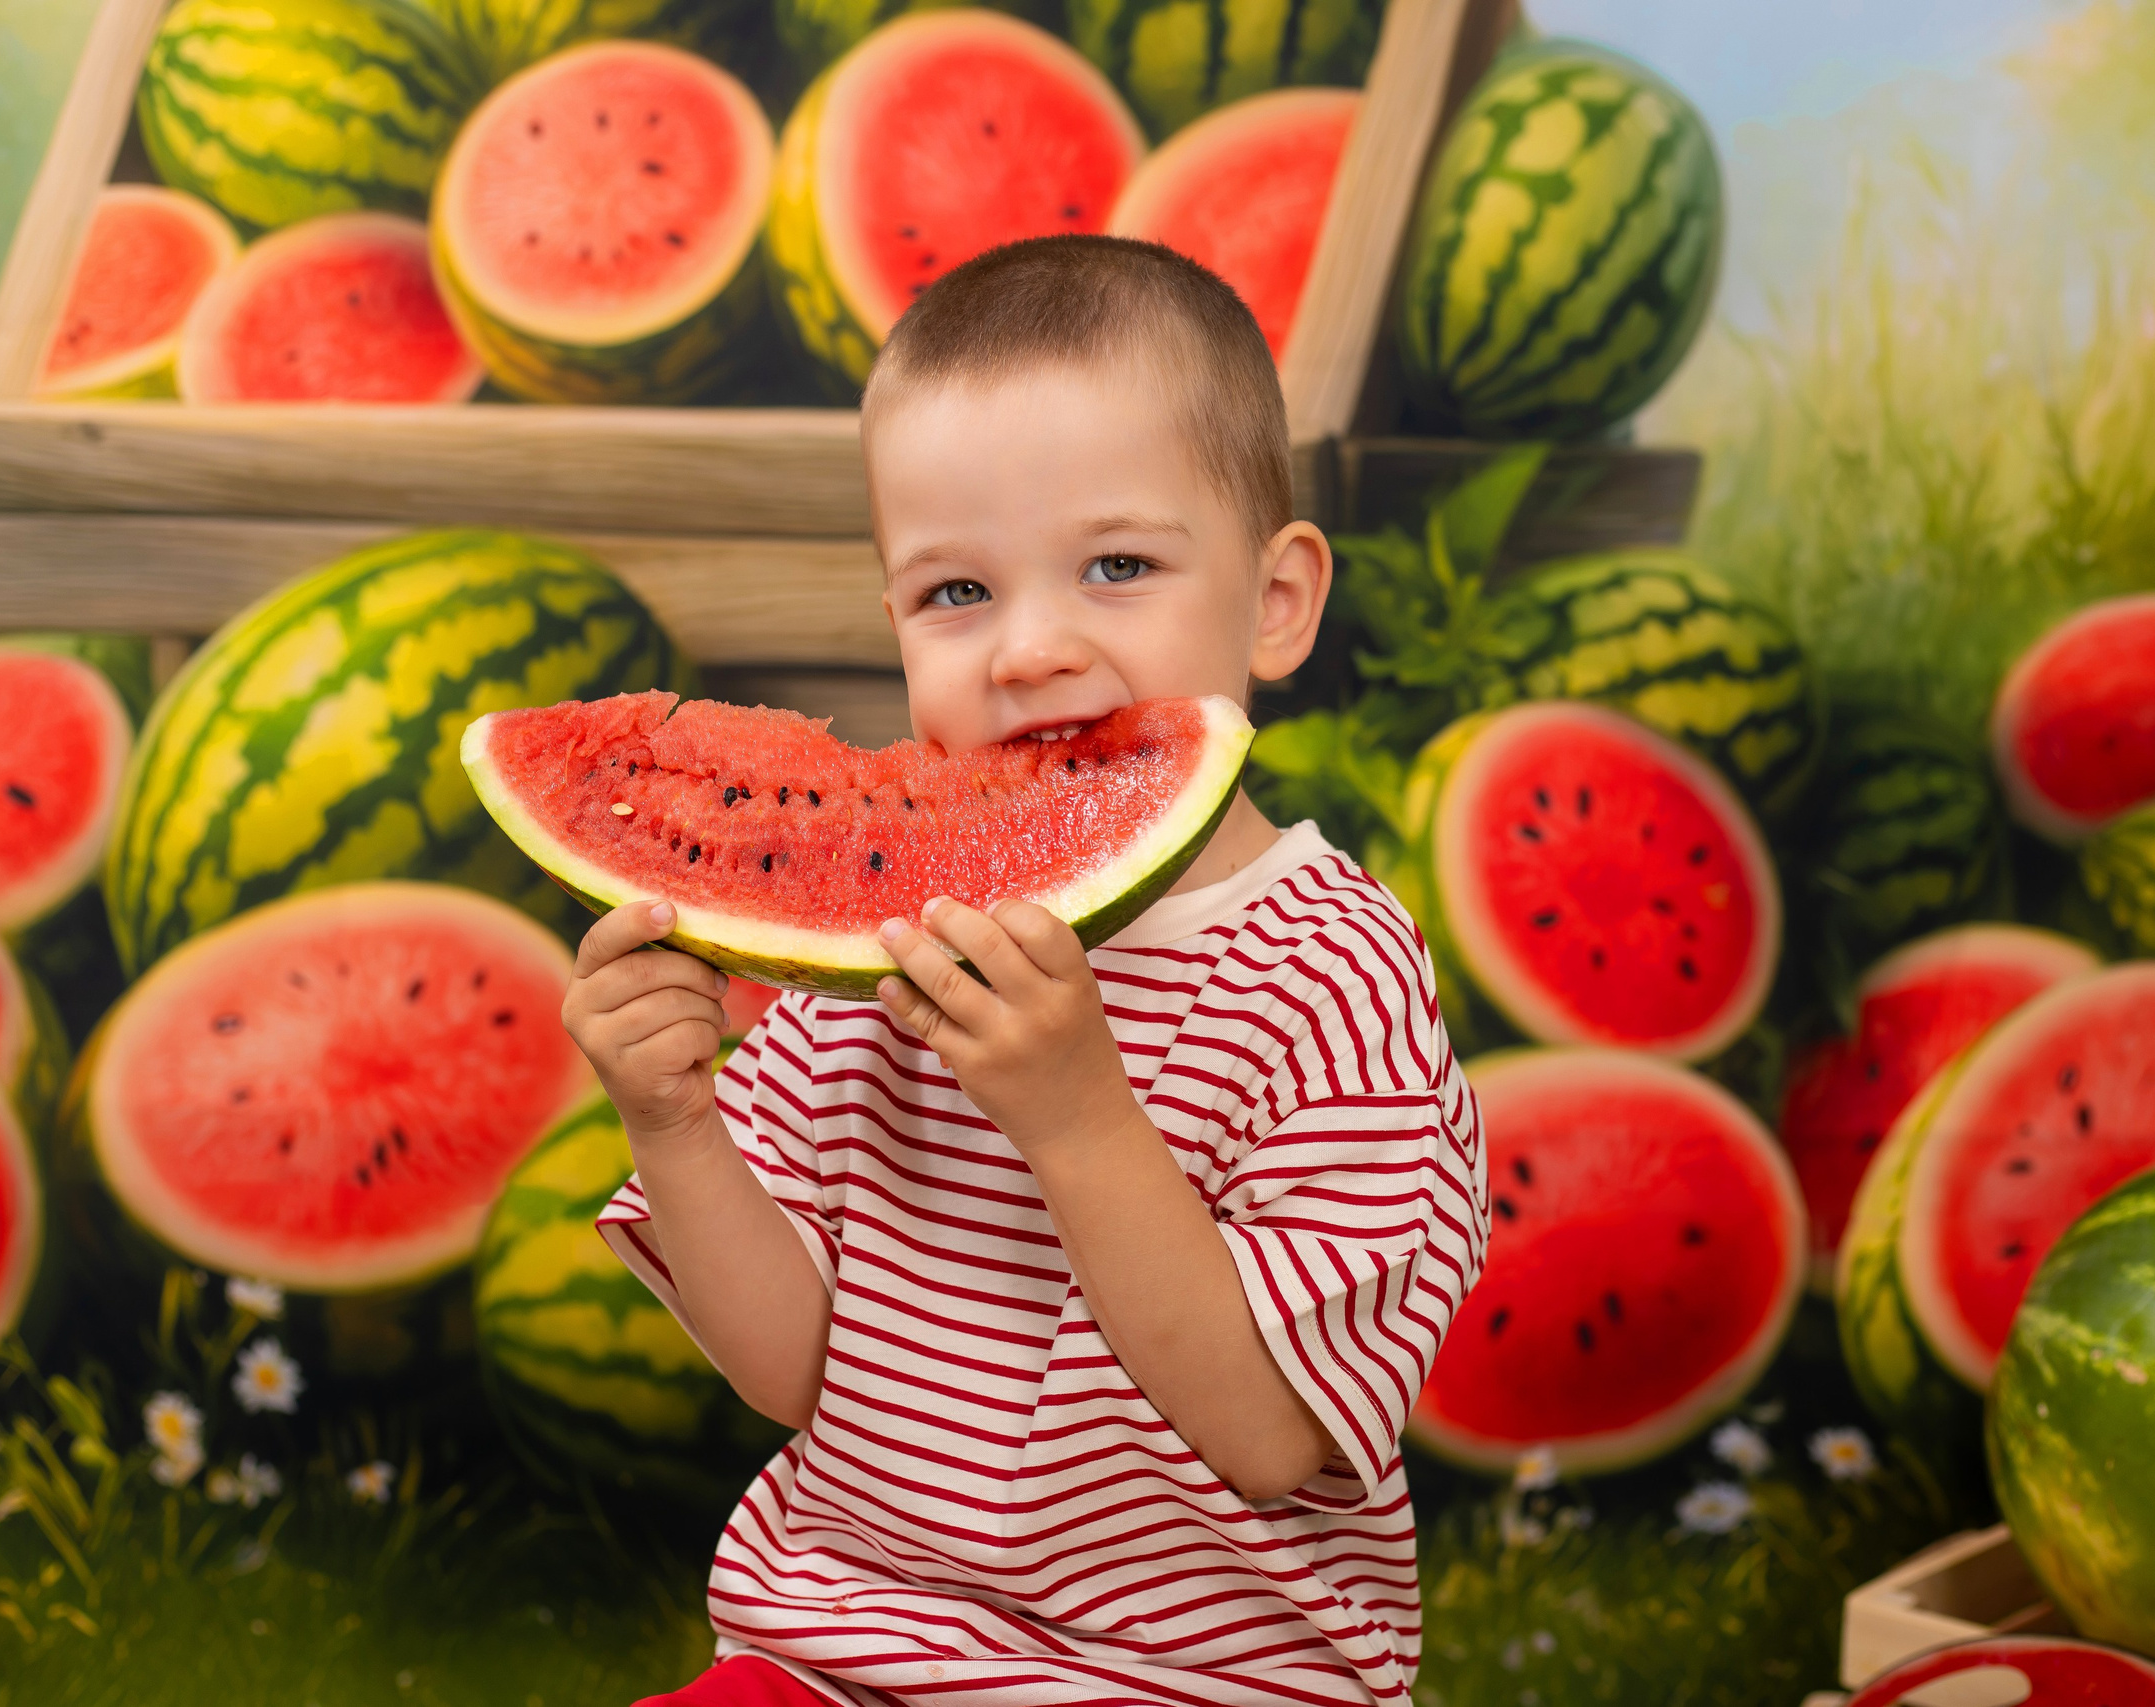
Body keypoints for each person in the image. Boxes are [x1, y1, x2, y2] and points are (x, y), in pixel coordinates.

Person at [564, 235, 1486, 1707]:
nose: (1031, 649)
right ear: (894, 627)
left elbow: (1269, 1435)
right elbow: (791, 1369)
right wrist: (673, 1124)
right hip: (839, 1648)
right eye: (955, 593)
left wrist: (1074, 1115)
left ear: (1277, 599)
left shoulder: (1332, 977)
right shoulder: (871, 948)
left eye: (1117, 567)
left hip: (1193, 1685)